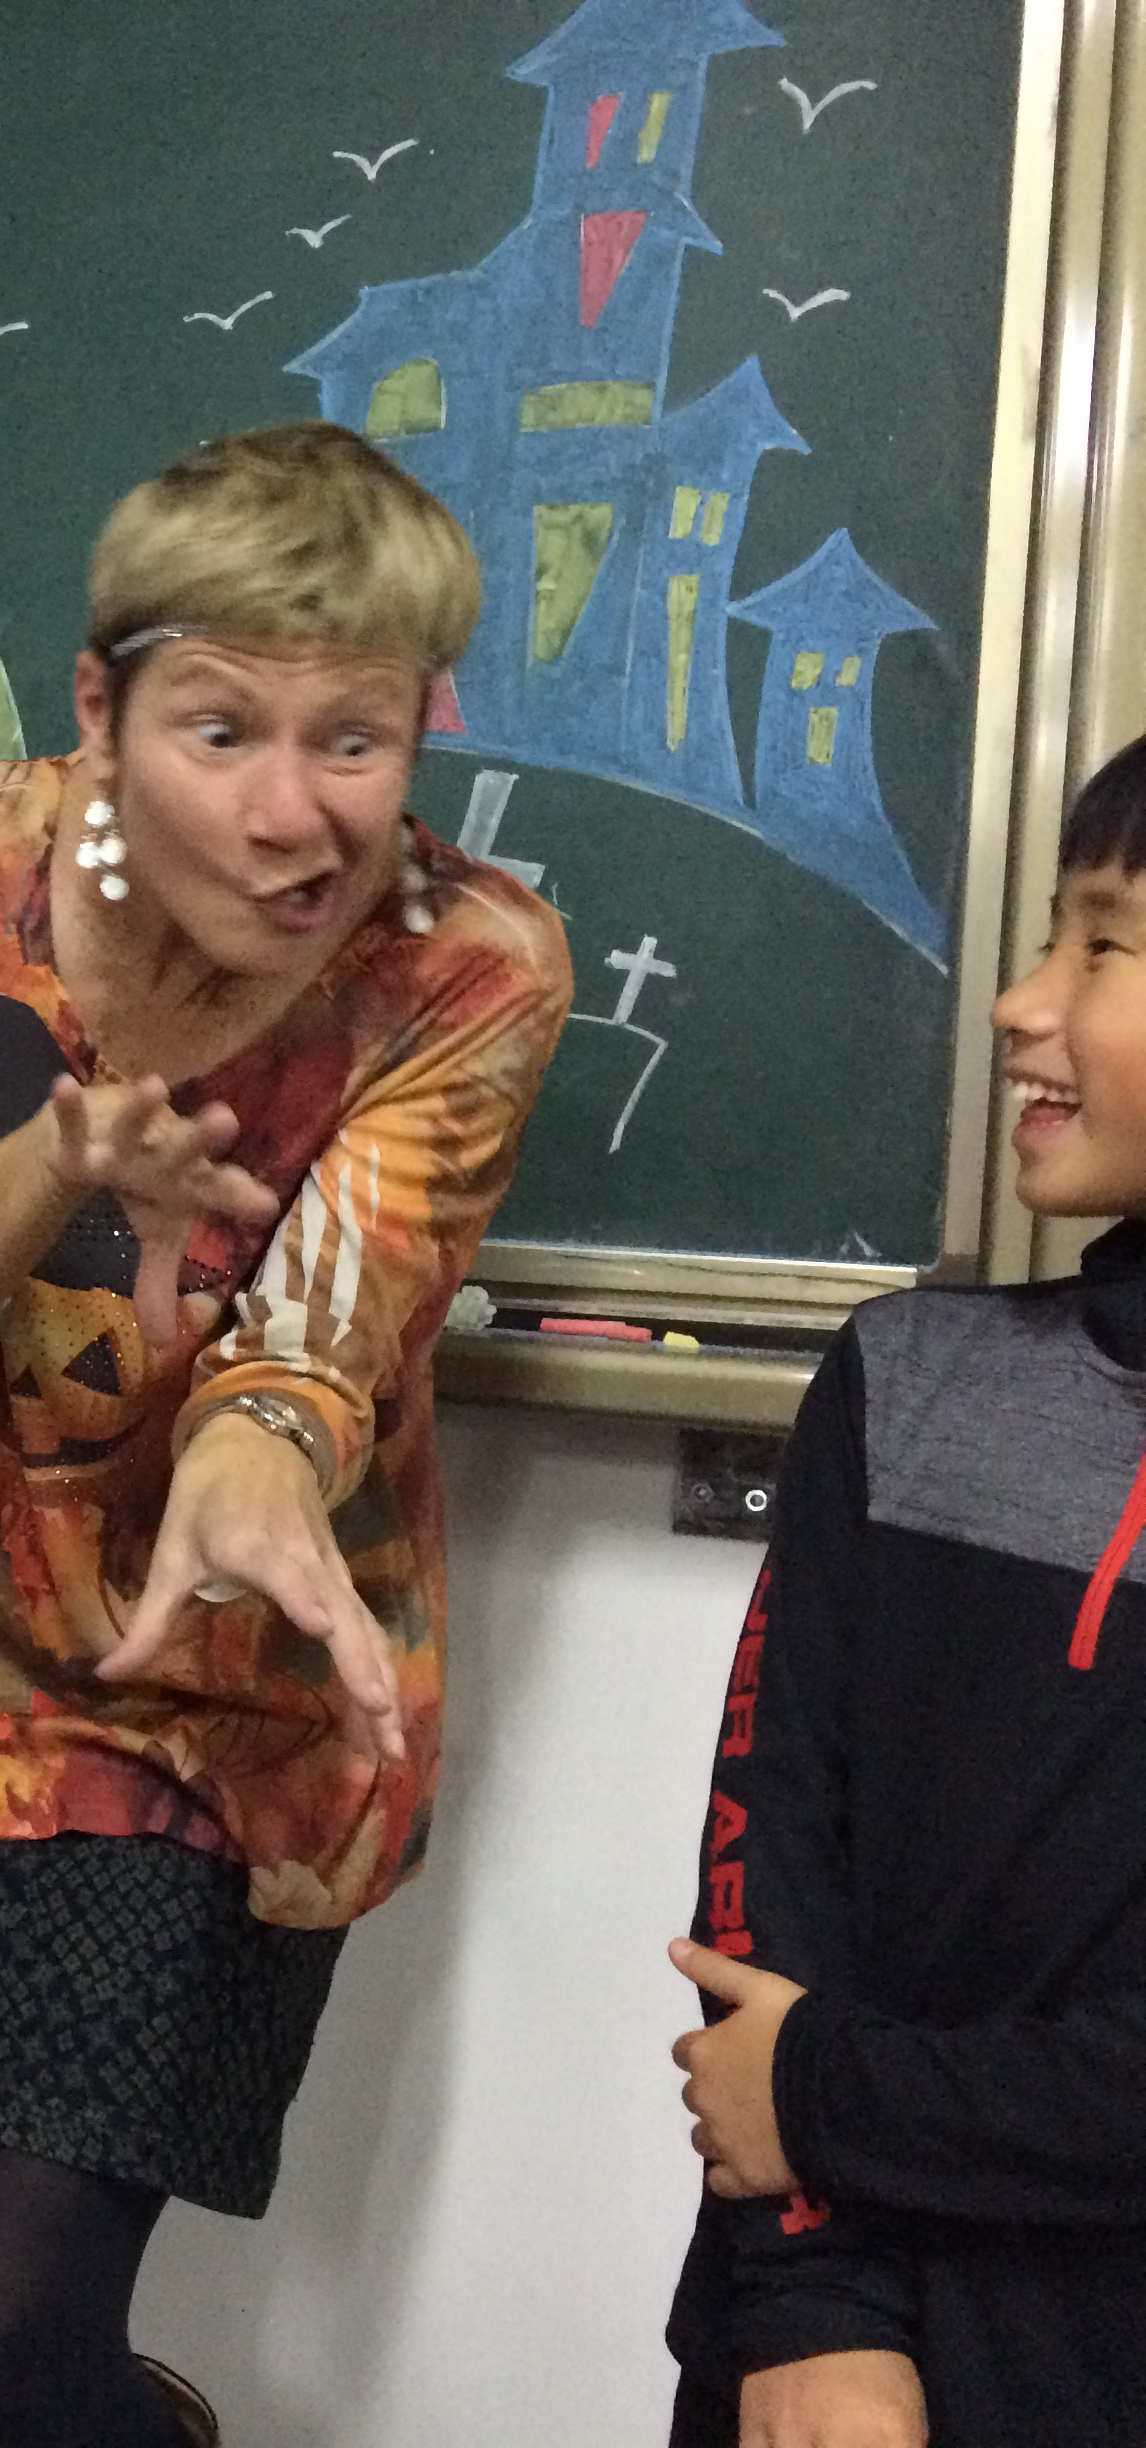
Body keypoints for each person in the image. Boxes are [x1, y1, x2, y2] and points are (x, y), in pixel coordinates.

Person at [0, 423, 572, 2448]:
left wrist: (255, 1460)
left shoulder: (467, 965)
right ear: (101, 708)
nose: (295, 813)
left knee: (11, 2306)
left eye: (355, 740)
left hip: (224, 1708)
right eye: (222, 730)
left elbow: (323, 1334)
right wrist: (58, 1161)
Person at [663, 732, 1146, 2448]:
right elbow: (770, 1845)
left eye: (1103, 944)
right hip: (825, 2356)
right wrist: (812, 2307)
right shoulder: (914, 1383)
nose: (1021, 1003)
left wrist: (819, 2089)